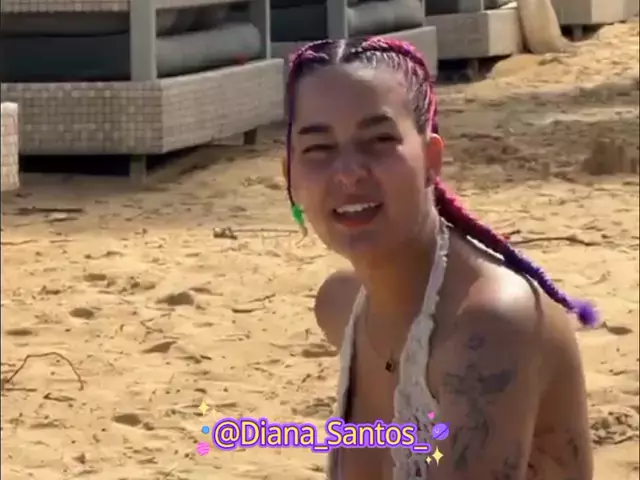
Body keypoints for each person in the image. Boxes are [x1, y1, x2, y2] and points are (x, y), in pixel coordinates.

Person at [283, 37, 596, 480]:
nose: (348, 173)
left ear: (432, 159)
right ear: (289, 174)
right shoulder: (342, 304)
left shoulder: (491, 324)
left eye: (378, 140)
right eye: (318, 148)